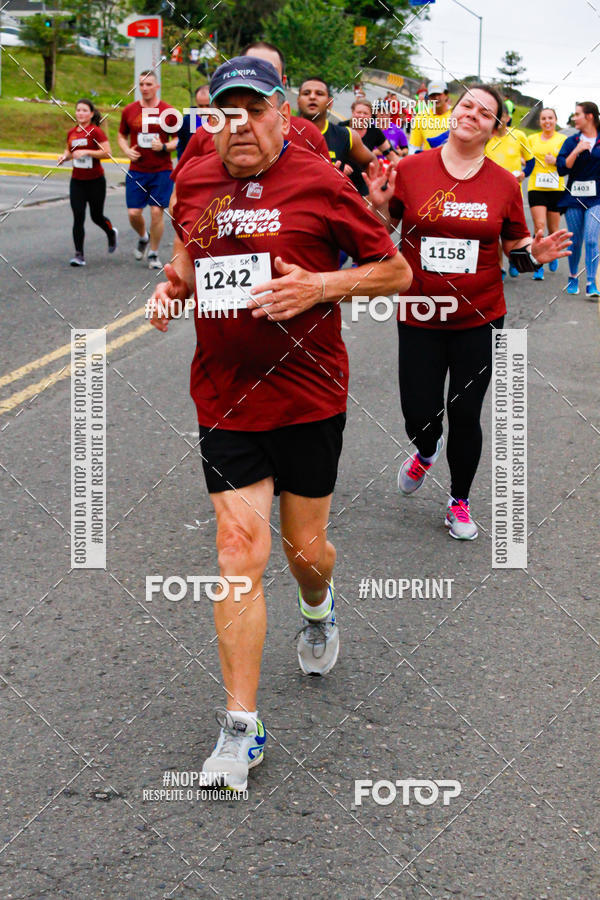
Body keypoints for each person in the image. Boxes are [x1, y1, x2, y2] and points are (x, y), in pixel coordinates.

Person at [150, 57, 412, 791]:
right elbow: (188, 248)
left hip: (308, 395)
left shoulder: (322, 180)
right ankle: (241, 725)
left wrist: (321, 284)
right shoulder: (196, 176)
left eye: (253, 110)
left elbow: (394, 272)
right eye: (223, 112)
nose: (238, 125)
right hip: (226, 395)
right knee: (239, 548)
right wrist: (174, 283)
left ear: (280, 114)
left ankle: (319, 607)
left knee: (306, 549)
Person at [365, 84, 571, 540]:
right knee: (419, 413)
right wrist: (377, 208)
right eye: (466, 106)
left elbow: (515, 251)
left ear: (495, 128)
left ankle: (459, 500)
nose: (471, 115)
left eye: (483, 113)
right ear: (453, 114)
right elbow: (382, 235)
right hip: (420, 310)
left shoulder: (501, 182)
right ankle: (424, 450)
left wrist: (535, 254)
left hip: (478, 316)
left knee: (466, 412)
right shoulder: (413, 168)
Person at [173, 42, 330, 175]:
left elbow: (328, 186)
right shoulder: (206, 133)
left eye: (269, 70)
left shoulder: (308, 133)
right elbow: (180, 193)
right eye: (250, 67)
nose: (242, 127)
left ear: (282, 81)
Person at [117, 70, 178, 269]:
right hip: (137, 170)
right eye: (142, 84)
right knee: (134, 213)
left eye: (149, 84)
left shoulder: (168, 112)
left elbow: (178, 139)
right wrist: (127, 150)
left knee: (156, 212)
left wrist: (163, 147)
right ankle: (144, 237)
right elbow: (121, 136)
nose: (145, 88)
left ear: (157, 86)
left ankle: (153, 253)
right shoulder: (129, 111)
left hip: (161, 170)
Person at [58, 98, 117, 267]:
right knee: (78, 217)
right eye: (78, 110)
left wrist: (87, 152)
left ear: (91, 114)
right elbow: (69, 152)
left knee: (96, 216)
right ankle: (79, 254)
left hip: (96, 181)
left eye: (84, 110)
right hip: (77, 181)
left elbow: (107, 153)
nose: (80, 113)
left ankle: (110, 232)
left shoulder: (96, 131)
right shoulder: (72, 133)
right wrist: (64, 157)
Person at [556, 101, 600, 299]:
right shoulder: (572, 141)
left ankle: (591, 282)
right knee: (575, 241)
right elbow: (562, 168)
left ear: (589, 116)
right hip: (574, 197)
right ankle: (573, 277)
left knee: (591, 239)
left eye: (577, 114)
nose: (574, 118)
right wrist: (577, 150)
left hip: (597, 198)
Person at [485, 107, 532, 277]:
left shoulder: (518, 136)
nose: (499, 118)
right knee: (494, 232)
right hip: (490, 193)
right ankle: (500, 266)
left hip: (513, 193)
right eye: (496, 114)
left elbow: (531, 161)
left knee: (510, 232)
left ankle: (513, 260)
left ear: (508, 117)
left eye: (502, 114)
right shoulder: (486, 137)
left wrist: (524, 174)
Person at [297, 77, 376, 170]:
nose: (312, 97)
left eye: (319, 93)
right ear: (298, 101)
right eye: (306, 93)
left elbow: (371, 161)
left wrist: (369, 184)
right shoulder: (282, 132)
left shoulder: (347, 136)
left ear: (329, 103)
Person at [524, 108, 566, 280]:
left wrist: (556, 161)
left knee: (554, 229)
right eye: (543, 118)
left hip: (556, 189)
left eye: (550, 118)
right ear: (539, 121)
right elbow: (525, 158)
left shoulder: (563, 139)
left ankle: (553, 255)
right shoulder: (531, 139)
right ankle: (538, 264)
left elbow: (569, 163)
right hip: (536, 187)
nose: (547, 121)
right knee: (539, 227)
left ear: (555, 120)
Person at [341, 99, 400, 195]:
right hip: (342, 176)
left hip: (363, 179)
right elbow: (329, 151)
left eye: (365, 113)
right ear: (352, 112)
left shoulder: (374, 131)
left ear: (370, 116)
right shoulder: (342, 128)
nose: (361, 116)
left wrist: (405, 169)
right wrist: (341, 165)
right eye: (358, 112)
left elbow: (390, 154)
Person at [409, 80, 452, 152]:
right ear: (428, 97)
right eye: (433, 95)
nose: (436, 97)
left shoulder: (456, 114)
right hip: (429, 161)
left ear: (446, 94)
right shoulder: (420, 117)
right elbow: (414, 147)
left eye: (439, 94)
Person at [176, 83, 210, 159]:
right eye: (201, 106)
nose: (204, 110)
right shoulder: (187, 121)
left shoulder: (222, 120)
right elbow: (181, 146)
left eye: (208, 106)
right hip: (193, 165)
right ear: (196, 103)